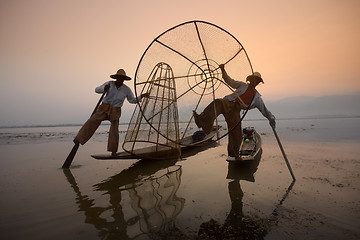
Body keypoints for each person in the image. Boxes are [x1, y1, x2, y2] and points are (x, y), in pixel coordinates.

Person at [193, 64, 275, 159]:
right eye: (253, 79)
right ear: (250, 79)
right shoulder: (242, 85)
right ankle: (202, 120)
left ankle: (234, 155)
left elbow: (265, 110)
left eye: (256, 81)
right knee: (218, 103)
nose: (254, 81)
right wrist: (223, 71)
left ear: (258, 83)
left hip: (236, 111)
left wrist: (271, 119)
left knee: (236, 133)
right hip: (228, 103)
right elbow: (230, 81)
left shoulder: (257, 98)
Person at [74, 68, 149, 156]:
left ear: (124, 79)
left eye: (122, 78)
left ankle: (113, 151)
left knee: (114, 130)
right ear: (116, 78)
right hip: (104, 108)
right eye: (118, 78)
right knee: (92, 121)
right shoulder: (109, 84)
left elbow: (132, 100)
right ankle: (79, 139)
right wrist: (104, 89)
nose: (120, 80)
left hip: (115, 111)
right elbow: (97, 89)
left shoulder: (126, 90)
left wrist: (142, 96)